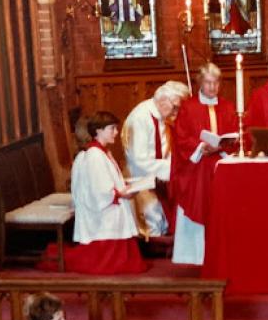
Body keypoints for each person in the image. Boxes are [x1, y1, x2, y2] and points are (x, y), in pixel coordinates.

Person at [61, 111, 146, 274]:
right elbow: (100, 191)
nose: (116, 132)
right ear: (98, 130)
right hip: (103, 209)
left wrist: (126, 186)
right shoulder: (94, 155)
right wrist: (122, 194)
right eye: (112, 128)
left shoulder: (103, 152)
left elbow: (109, 180)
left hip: (111, 202)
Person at [170, 63, 237, 265]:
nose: (212, 87)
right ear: (200, 82)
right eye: (208, 82)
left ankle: (222, 253)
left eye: (216, 83)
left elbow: (235, 134)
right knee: (197, 203)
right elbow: (181, 137)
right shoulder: (188, 107)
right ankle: (194, 256)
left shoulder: (227, 106)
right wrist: (201, 146)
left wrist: (221, 146)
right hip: (197, 169)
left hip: (221, 165)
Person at [122, 80, 189, 237]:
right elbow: (139, 160)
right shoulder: (140, 117)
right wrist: (172, 168)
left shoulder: (162, 117)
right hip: (140, 178)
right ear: (163, 100)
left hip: (159, 176)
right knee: (153, 215)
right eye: (176, 107)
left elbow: (167, 149)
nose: (177, 113)